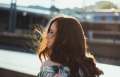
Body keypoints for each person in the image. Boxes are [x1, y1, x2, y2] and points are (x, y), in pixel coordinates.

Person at [36, 16, 103, 77]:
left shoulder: (50, 67)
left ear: (64, 38)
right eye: (49, 31)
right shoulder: (86, 67)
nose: (47, 36)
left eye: (51, 32)